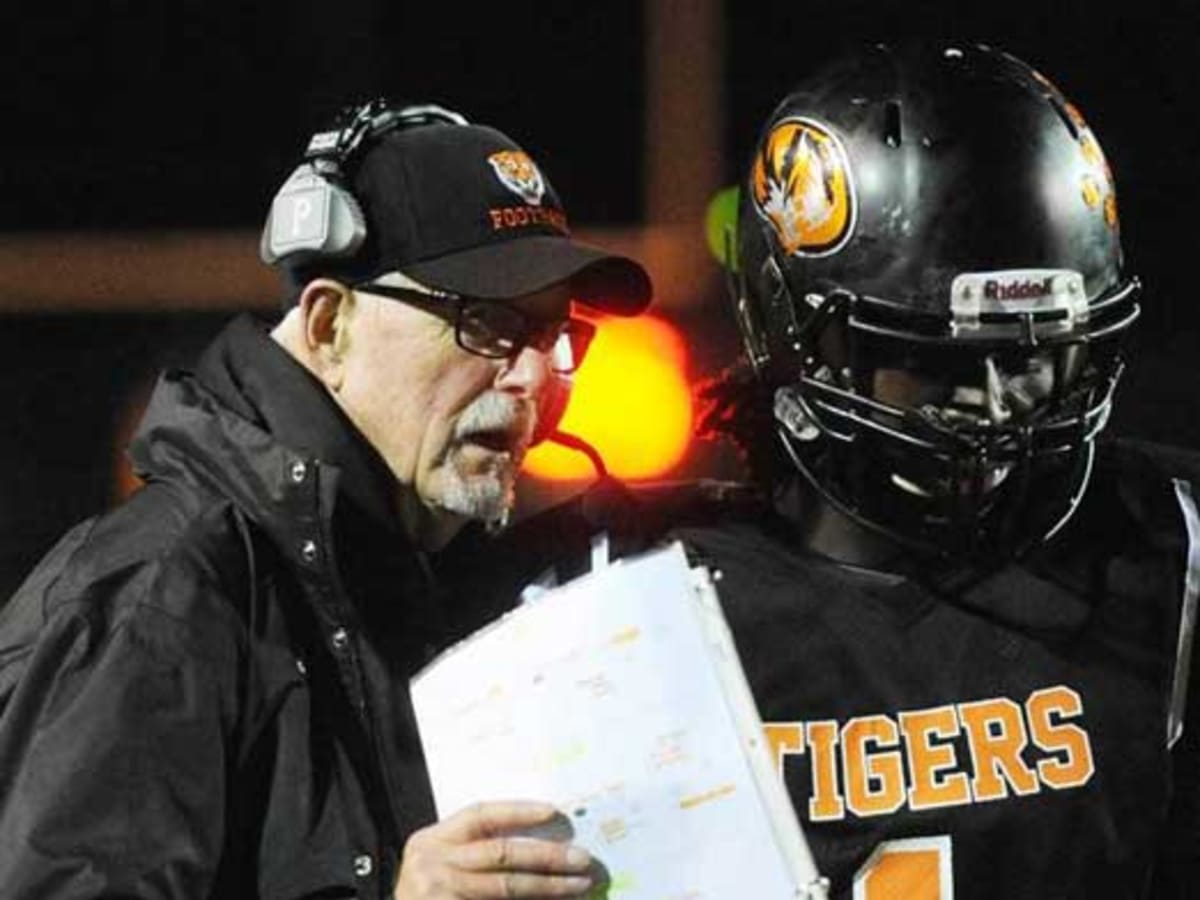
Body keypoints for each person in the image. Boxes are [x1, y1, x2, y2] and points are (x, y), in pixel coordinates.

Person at [485, 43, 1200, 897]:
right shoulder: (599, 596)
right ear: (800, 343)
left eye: (1035, 352)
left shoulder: (1171, 548)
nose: (998, 401)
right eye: (933, 357)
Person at [0, 99, 650, 898]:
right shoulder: (161, 597)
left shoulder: (432, 575)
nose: (531, 377)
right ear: (330, 323)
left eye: (557, 337)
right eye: (485, 325)